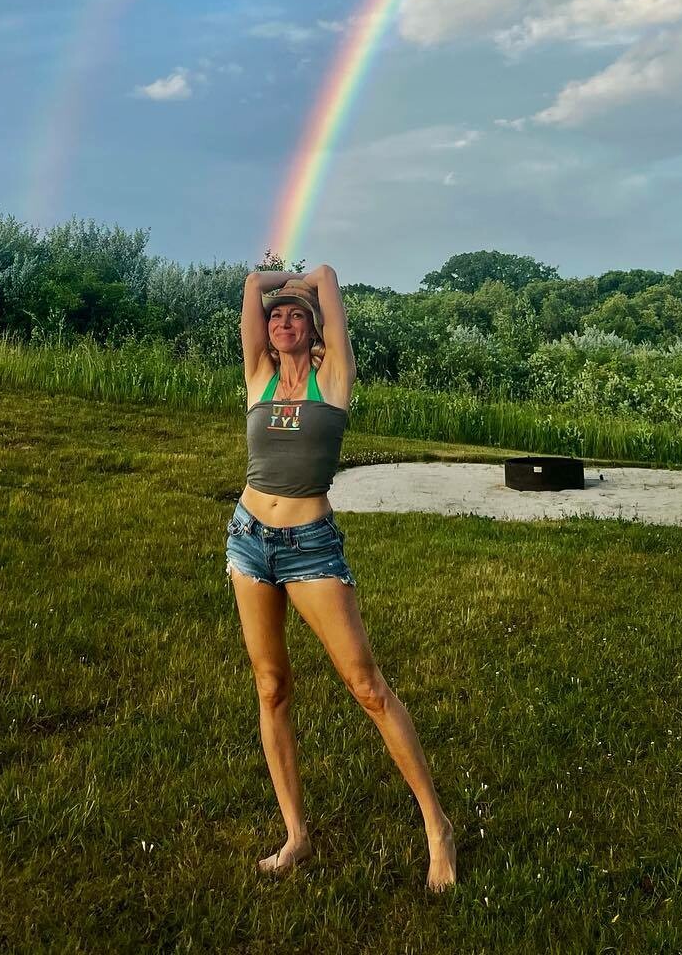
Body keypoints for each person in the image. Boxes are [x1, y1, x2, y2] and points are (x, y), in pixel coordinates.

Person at [225, 262, 457, 891]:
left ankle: (437, 827)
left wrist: (303, 283)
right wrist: (276, 286)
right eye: (276, 316)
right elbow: (250, 287)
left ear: (314, 328)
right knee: (271, 687)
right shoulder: (258, 377)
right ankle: (295, 835)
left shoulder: (332, 380)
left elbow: (327, 276)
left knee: (367, 686)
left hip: (310, 548)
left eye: (295, 316)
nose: (282, 321)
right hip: (249, 541)